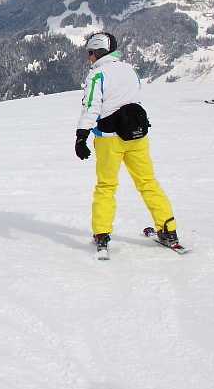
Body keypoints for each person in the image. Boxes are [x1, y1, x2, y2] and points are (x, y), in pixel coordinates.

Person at [74, 32, 182, 253]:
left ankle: (102, 234)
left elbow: (91, 107)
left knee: (106, 186)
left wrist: (81, 135)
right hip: (136, 135)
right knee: (148, 182)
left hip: (109, 139)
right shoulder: (130, 70)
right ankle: (168, 229)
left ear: (100, 52)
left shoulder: (97, 75)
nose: (88, 57)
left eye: (90, 52)